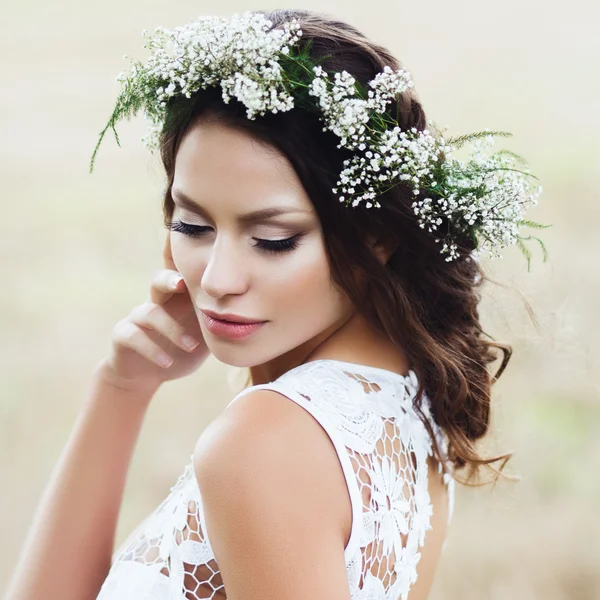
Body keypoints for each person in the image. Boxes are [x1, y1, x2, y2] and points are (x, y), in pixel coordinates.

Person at [5, 8, 546, 600]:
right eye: (192, 224)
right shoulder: (404, 395)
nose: (218, 278)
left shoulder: (266, 442)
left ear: (377, 237)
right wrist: (121, 388)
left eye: (273, 240)